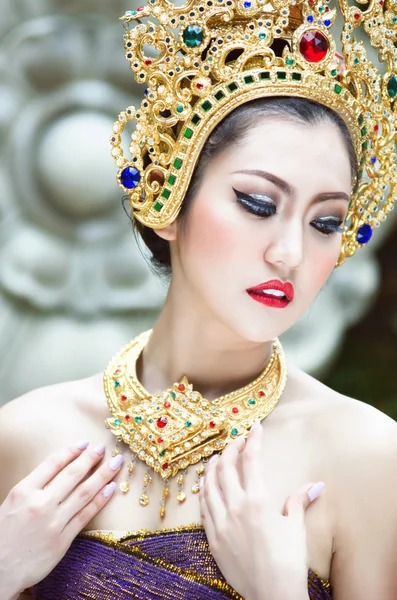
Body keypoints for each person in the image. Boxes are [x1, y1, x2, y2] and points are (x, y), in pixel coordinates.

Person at [0, 0, 397, 598]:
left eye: (325, 221)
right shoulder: (29, 435)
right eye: (259, 203)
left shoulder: (365, 455)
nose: (290, 252)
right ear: (167, 197)